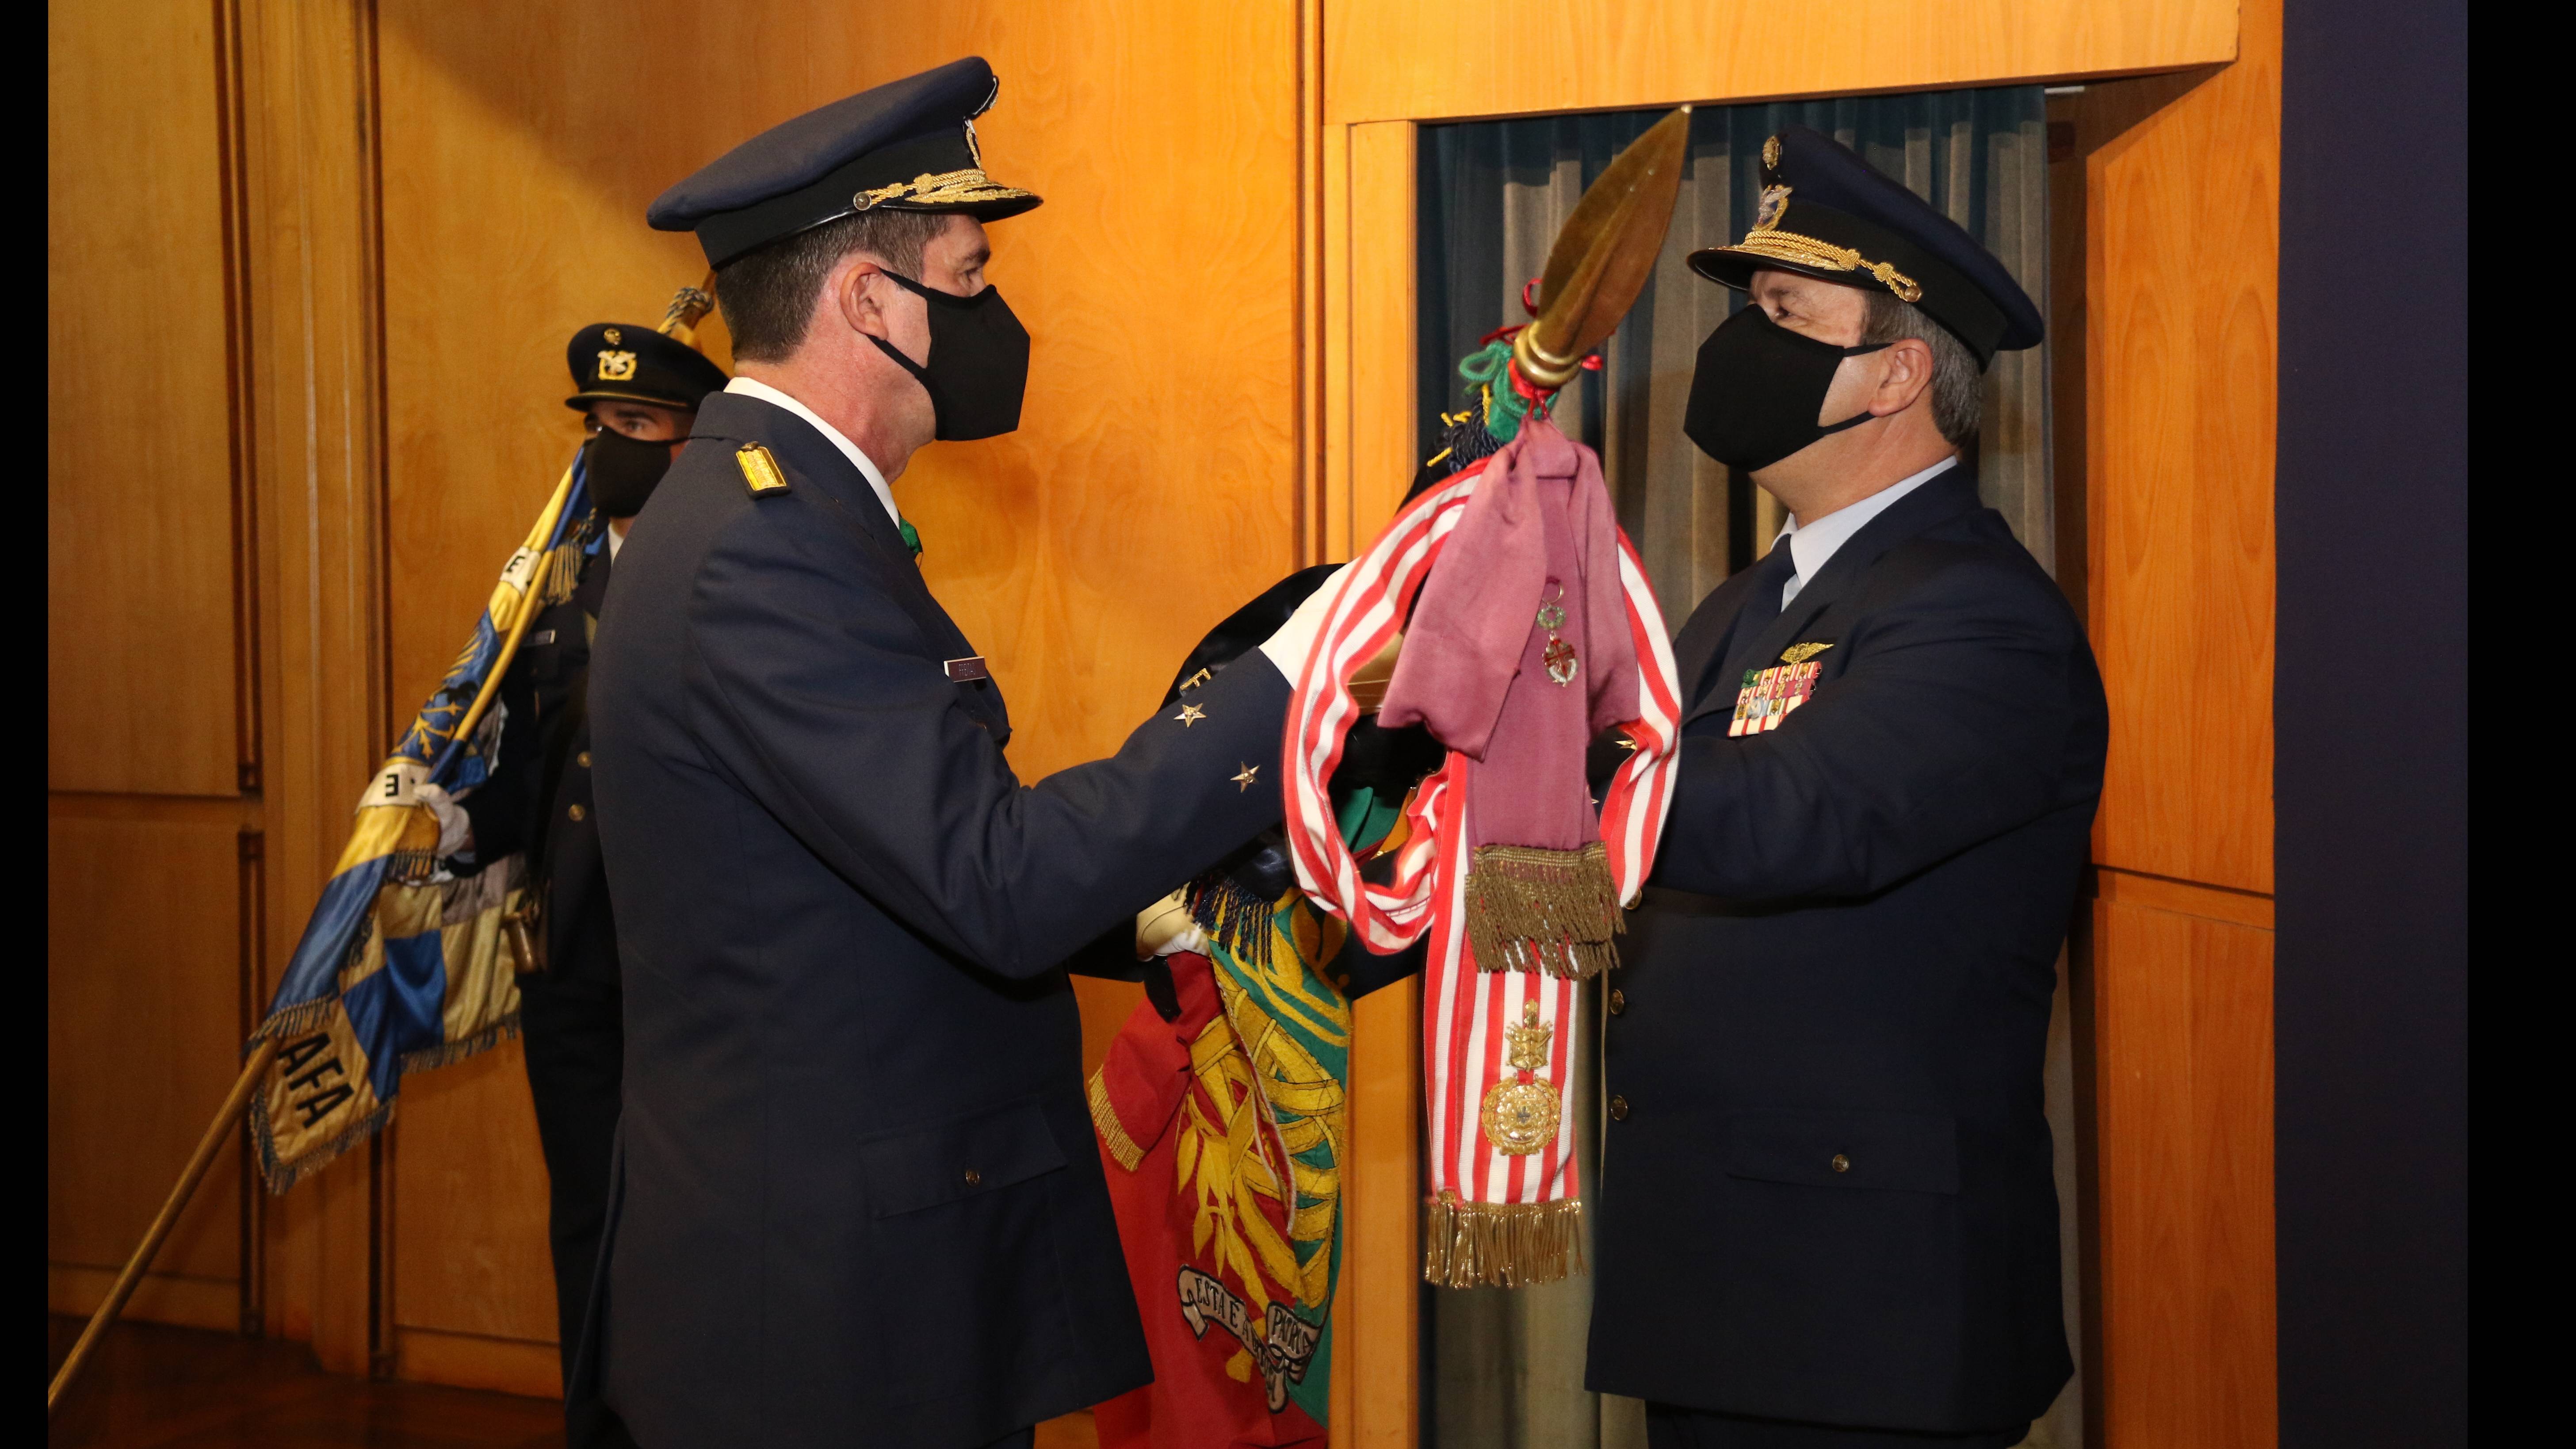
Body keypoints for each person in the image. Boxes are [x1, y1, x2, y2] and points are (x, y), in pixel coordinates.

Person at [581, 57, 1340, 1449]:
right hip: (821, 1318)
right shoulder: (766, 546)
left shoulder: (795, 514)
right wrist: (1288, 680)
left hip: (865, 1269)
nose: (998, 314)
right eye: (972, 274)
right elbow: (997, 878)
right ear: (872, 300)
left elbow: (917, 862)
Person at [1583, 126, 2109, 1449]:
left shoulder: (1982, 615)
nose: (1737, 346)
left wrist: (1536, 729)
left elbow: (1795, 814)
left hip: (1861, 1307)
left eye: (1782, 314)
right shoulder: (1744, 602)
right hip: (1722, 1272)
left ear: (1897, 374)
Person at [415, 311, 726, 1387]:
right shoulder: (552, 591)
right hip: (577, 969)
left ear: (694, 438)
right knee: (590, 1227)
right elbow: (540, 774)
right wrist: (447, 825)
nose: (608, 449)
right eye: (597, 424)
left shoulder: (736, 573)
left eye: (635, 423)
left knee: (699, 1244)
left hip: (697, 976)